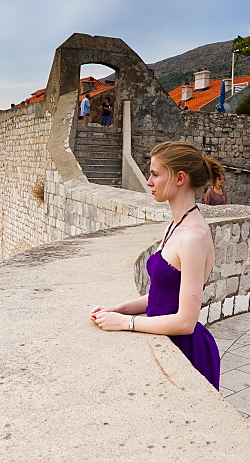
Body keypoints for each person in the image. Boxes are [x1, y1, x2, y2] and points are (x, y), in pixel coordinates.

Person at [90, 141, 222, 390]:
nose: (149, 182)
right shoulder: (174, 226)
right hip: (166, 342)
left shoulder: (193, 237)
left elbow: (186, 321)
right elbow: (162, 296)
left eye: (155, 174)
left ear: (180, 178)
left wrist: (126, 324)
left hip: (187, 353)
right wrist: (119, 309)